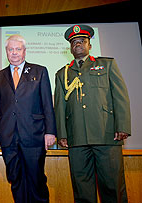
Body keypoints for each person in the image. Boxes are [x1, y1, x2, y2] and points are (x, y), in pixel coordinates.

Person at [54, 24, 131, 202]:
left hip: (107, 135)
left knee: (112, 187)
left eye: (82, 41)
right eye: (74, 43)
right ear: (70, 48)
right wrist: (62, 135)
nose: (77, 45)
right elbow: (59, 107)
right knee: (82, 190)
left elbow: (120, 97)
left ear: (90, 45)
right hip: (77, 138)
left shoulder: (107, 65)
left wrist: (123, 126)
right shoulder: (62, 73)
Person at [0, 34, 56, 203]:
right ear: (6, 52)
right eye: (11, 49)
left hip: (34, 136)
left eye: (18, 49)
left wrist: (50, 131)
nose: (14, 53)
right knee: (15, 180)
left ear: (24, 51)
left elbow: (47, 103)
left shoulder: (39, 71)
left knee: (36, 180)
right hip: (8, 138)